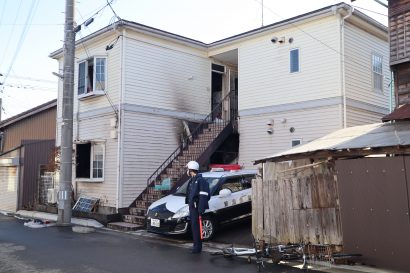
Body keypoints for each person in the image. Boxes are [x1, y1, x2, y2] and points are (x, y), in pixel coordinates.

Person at [185, 161, 210, 254]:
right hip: (192, 207)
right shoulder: (193, 180)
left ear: (191, 169)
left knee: (196, 228)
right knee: (194, 227)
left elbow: (204, 196)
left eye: (187, 169)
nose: (187, 171)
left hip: (196, 208)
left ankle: (197, 247)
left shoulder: (200, 181)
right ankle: (195, 245)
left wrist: (200, 209)